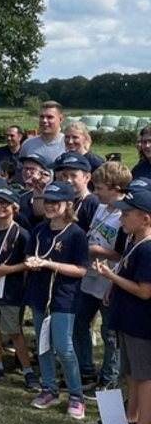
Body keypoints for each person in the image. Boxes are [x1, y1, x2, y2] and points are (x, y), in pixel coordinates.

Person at [24, 181, 89, 419]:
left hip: (64, 298)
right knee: (43, 346)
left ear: (68, 205)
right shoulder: (39, 230)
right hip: (40, 294)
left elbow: (81, 269)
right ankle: (49, 388)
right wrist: (31, 261)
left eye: (55, 202)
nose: (49, 206)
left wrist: (49, 264)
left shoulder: (76, 234)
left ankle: (76, 395)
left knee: (64, 346)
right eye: (46, 202)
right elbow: (30, 254)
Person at [93, 189, 151, 424]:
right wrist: (111, 287)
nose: (121, 218)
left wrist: (110, 277)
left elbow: (144, 290)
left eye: (127, 214)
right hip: (128, 320)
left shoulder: (148, 249)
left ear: (145, 219)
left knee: (144, 375)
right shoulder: (133, 242)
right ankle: (129, 419)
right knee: (131, 373)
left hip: (142, 324)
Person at [72, 161, 129, 398]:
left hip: (111, 278)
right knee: (79, 322)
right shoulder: (101, 206)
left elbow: (124, 253)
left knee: (109, 332)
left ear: (116, 189)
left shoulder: (125, 215)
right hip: (91, 275)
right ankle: (86, 369)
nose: (95, 193)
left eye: (100, 189)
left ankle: (109, 378)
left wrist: (98, 251)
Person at [0, 187, 38, 389]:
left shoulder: (22, 234)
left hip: (11, 290)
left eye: (4, 203)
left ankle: (28, 370)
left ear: (15, 207)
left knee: (14, 331)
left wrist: (8, 269)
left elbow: (29, 263)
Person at [53, 152, 99, 232]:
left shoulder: (93, 204)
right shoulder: (59, 200)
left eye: (73, 176)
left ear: (87, 177)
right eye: (65, 175)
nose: (68, 180)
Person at [18, 153, 53, 227]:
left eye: (32, 169)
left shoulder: (46, 194)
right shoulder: (17, 191)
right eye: (25, 168)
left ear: (43, 173)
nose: (27, 172)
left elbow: (41, 213)